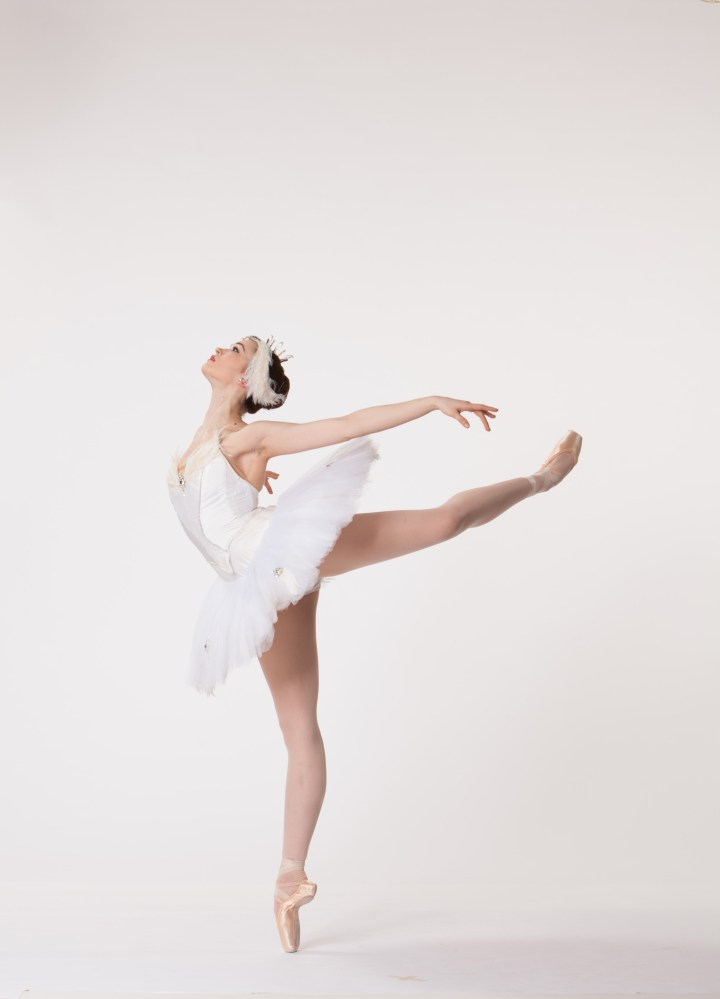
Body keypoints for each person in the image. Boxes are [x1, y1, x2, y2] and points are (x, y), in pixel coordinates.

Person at [167, 335, 582, 953]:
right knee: (299, 729)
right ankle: (289, 877)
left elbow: (349, 424)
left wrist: (428, 401)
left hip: (278, 553)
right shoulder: (207, 448)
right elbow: (210, 507)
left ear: (246, 378)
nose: (221, 347)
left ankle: (542, 478)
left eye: (237, 346)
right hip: (254, 588)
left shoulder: (250, 438)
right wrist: (245, 483)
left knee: (442, 521)